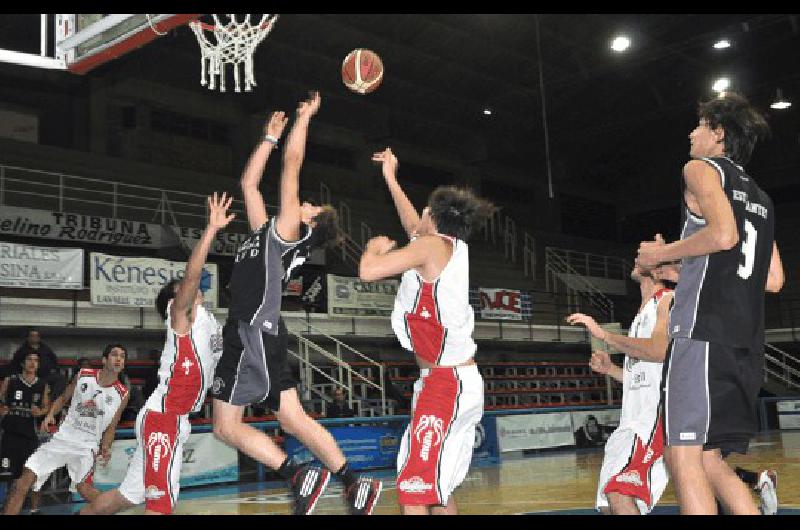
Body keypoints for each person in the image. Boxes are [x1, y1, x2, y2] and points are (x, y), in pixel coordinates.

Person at [210, 92, 382, 516]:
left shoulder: (290, 231)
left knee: (225, 426)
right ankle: (353, 483)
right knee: (292, 419)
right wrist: (267, 139)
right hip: (263, 331)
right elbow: (249, 184)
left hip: (252, 329)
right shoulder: (265, 234)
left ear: (309, 221)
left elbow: (292, 168)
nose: (303, 202)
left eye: (310, 206)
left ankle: (297, 474)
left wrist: (302, 120)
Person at [637, 92, 785, 515]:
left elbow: (723, 237)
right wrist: (686, 276)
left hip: (702, 336)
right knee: (710, 459)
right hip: (744, 343)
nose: (691, 133)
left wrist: (659, 257)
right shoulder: (761, 196)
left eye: (700, 125)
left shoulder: (700, 169)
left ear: (718, 134)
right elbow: (772, 279)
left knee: (682, 455)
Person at [360, 147, 494, 515]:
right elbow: (412, 227)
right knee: (434, 488)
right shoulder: (442, 247)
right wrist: (390, 177)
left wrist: (372, 249)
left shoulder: (433, 246)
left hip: (447, 383)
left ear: (432, 219)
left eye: (423, 212)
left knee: (415, 490)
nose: (416, 217)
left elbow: (369, 271)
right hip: (445, 380)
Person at [80, 193, 232, 516]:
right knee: (160, 505)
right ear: (175, 300)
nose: (192, 288)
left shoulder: (208, 322)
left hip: (171, 418)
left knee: (125, 496)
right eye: (184, 288)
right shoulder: (180, 318)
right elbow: (192, 276)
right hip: (164, 417)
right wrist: (211, 230)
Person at [567, 261, 675, 514]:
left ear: (657, 270)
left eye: (643, 254)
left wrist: (604, 335)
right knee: (607, 503)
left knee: (618, 493)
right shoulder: (642, 313)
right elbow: (641, 378)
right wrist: (611, 370)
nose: (637, 258)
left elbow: (660, 352)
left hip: (653, 419)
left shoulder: (667, 300)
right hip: (630, 421)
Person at [3, 344, 129, 515]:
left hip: (87, 446)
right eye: (115, 355)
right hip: (63, 439)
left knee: (85, 489)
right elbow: (63, 398)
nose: (119, 359)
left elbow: (111, 426)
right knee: (21, 484)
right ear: (104, 360)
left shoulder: (122, 394)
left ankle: (114, 508)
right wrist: (49, 415)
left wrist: (106, 447)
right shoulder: (84, 375)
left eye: (122, 356)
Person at [0, 351, 50, 514]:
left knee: (33, 474)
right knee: (8, 475)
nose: (32, 363)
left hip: (30, 436)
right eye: (29, 359)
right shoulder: (11, 380)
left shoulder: (42, 384)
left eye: (36, 360)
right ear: (22, 363)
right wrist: (2, 409)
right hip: (10, 435)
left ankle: (34, 510)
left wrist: (40, 412)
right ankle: (7, 507)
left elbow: (46, 407)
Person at [9, 329, 66, 400]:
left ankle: (52, 400)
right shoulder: (22, 350)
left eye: (36, 336)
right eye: (32, 336)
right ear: (28, 338)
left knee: (60, 378)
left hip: (45, 376)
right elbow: (14, 365)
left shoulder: (45, 348)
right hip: (28, 377)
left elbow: (54, 360)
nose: (34, 338)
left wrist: (54, 369)